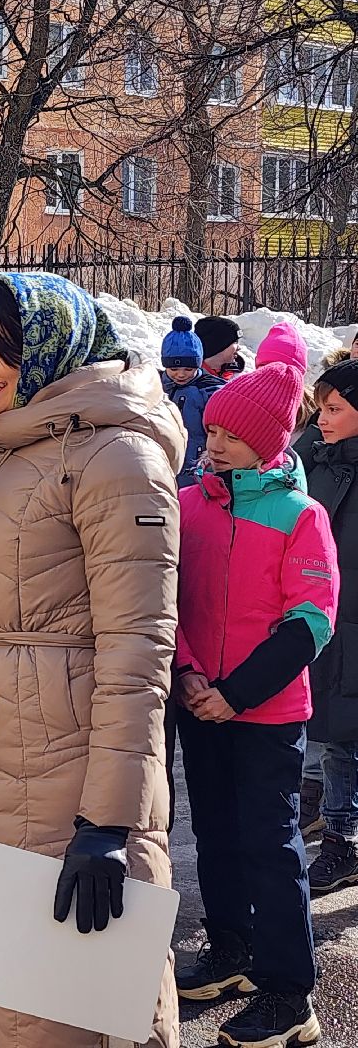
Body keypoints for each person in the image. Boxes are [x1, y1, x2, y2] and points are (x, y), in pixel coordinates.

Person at [0, 272, 182, 1046]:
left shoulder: (117, 458)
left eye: (0, 346)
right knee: (9, 1010)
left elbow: (138, 650)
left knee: (77, 1012)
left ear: (51, 342)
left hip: (72, 772)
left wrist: (108, 823)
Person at [172, 361, 336, 1048]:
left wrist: (234, 694)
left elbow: (311, 623)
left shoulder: (302, 516)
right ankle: (232, 949)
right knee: (212, 834)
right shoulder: (189, 506)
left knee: (270, 848)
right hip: (196, 701)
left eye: (232, 436)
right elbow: (165, 597)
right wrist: (186, 673)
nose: (214, 444)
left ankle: (288, 993)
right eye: (211, 430)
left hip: (266, 714)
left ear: (268, 443)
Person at [295, 359, 358, 895]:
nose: (324, 418)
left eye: (336, 409)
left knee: (344, 739)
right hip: (327, 620)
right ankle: (331, 828)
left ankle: (343, 838)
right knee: (329, 733)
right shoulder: (313, 459)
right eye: (321, 407)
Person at [160, 316, 224, 489]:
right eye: (174, 369)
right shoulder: (155, 386)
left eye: (189, 369)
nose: (181, 374)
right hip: (162, 462)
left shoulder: (209, 391)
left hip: (196, 465)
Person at [196, 315, 246, 381]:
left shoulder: (238, 376)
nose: (239, 348)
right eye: (235, 342)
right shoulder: (187, 376)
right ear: (218, 345)